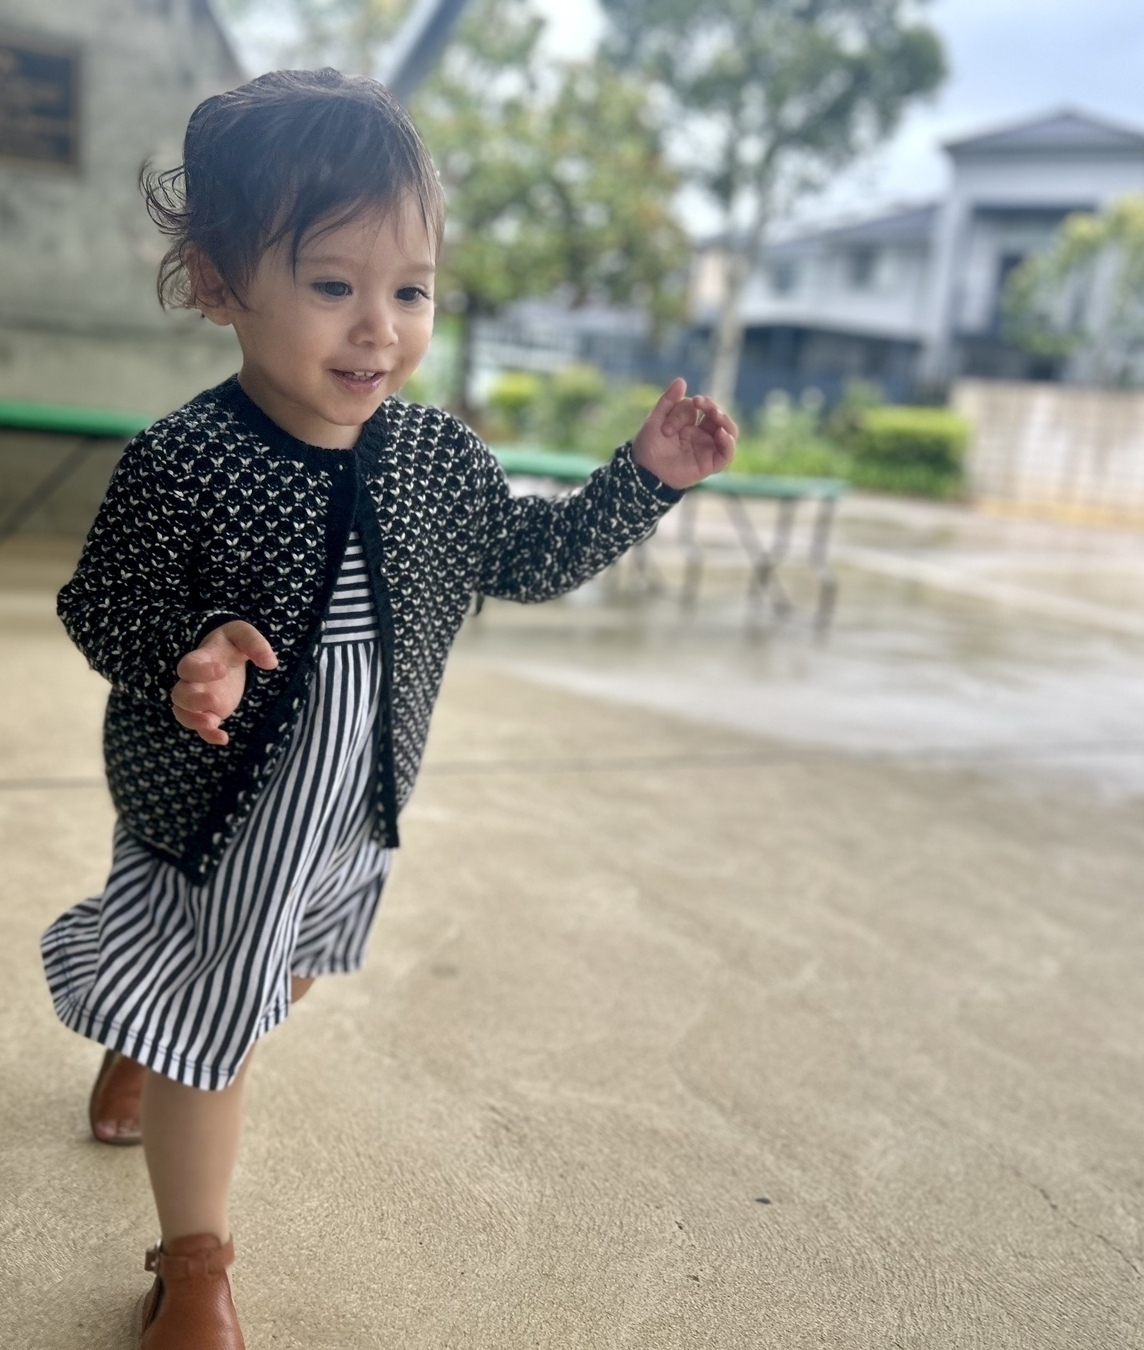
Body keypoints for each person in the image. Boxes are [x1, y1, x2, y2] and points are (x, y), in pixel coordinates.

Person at [40, 68, 735, 1349]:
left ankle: (153, 1024)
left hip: (354, 801)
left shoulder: (436, 457)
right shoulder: (185, 459)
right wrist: (184, 654)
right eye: (331, 285)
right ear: (216, 283)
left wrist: (645, 479)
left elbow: (526, 561)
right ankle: (193, 1265)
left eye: (409, 290)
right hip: (217, 804)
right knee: (222, 1030)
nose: (379, 329)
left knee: (284, 973)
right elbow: (102, 604)